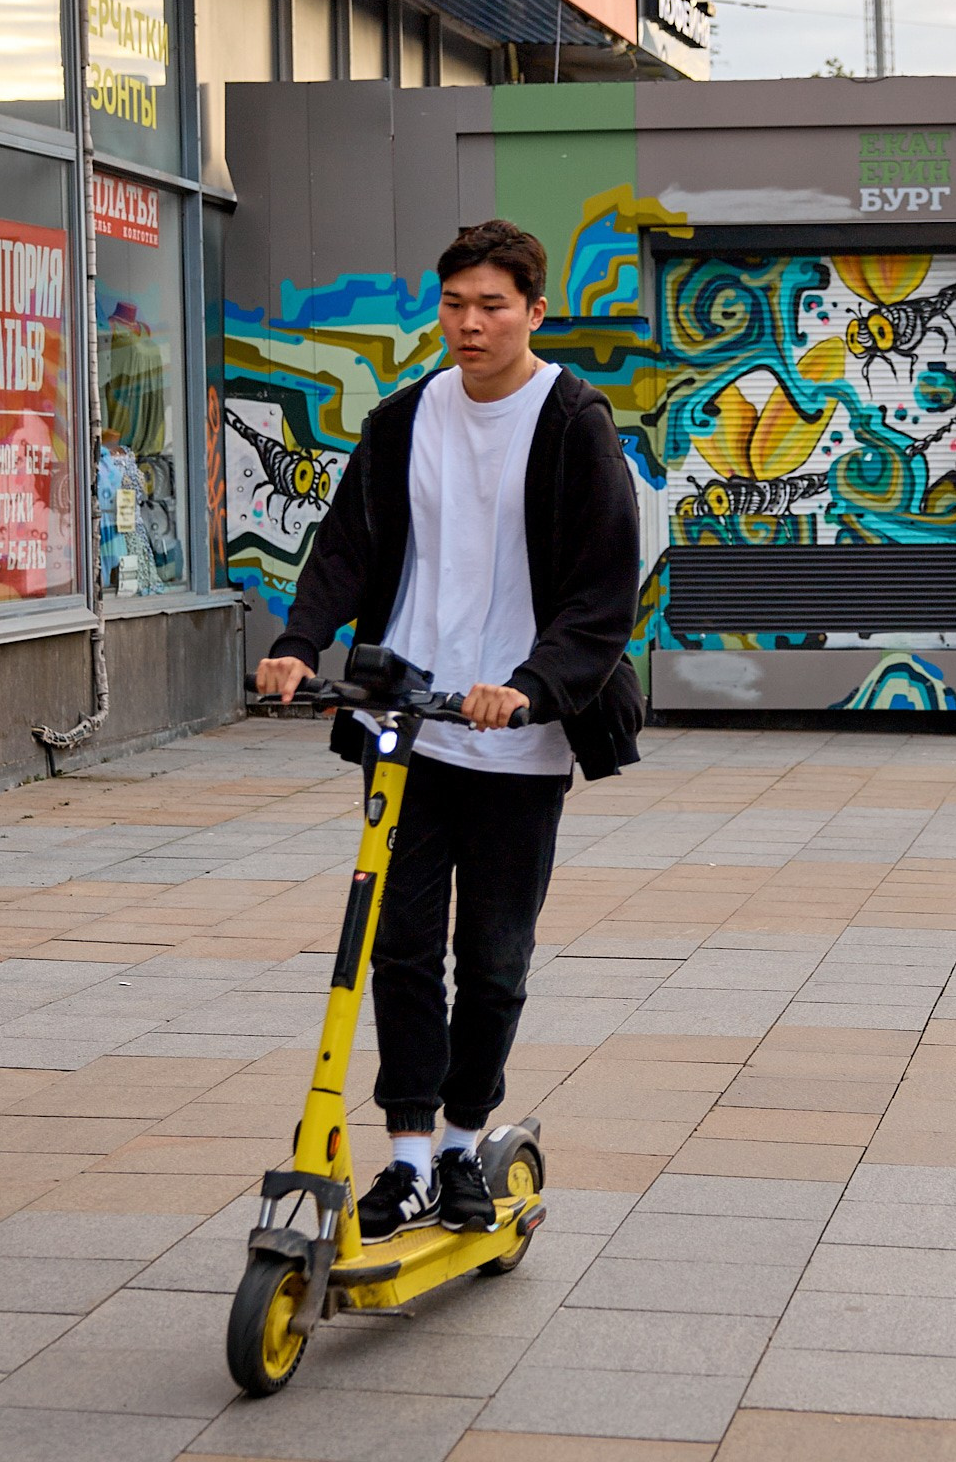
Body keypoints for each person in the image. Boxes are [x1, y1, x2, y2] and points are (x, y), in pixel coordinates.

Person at [255, 219, 642, 1239]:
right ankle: (411, 1154)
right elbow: (345, 547)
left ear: (534, 311)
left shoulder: (570, 422)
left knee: (497, 957)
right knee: (401, 947)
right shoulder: (402, 420)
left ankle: (470, 1138)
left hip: (517, 737)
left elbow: (604, 593)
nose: (469, 325)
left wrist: (530, 685)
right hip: (409, 725)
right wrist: (299, 641)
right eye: (455, 305)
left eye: (492, 306)